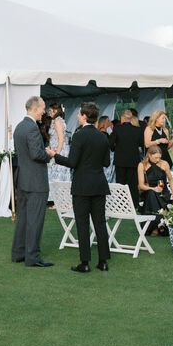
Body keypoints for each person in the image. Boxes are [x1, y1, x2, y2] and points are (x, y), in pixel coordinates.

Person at [52, 102, 111, 273]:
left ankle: (85, 263)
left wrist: (55, 156)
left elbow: (72, 162)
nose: (77, 116)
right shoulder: (103, 136)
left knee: (82, 224)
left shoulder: (79, 135)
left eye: (79, 114)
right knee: (100, 223)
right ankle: (103, 261)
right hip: (99, 184)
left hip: (82, 186)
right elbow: (106, 163)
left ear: (85, 116)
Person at [11, 96, 53, 267]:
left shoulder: (20, 127)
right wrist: (48, 155)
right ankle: (32, 257)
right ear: (35, 109)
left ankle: (18, 253)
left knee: (23, 219)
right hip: (36, 181)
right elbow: (36, 154)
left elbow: (27, 153)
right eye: (43, 108)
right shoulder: (32, 128)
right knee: (35, 220)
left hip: (23, 180)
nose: (44, 111)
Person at [138, 145, 173, 234]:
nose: (158, 160)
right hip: (148, 192)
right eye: (155, 157)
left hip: (163, 193)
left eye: (159, 157)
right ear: (149, 155)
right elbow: (141, 185)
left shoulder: (164, 163)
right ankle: (159, 223)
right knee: (151, 193)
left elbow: (171, 179)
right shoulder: (142, 165)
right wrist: (153, 188)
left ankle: (157, 225)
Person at [109, 108, 143, 206]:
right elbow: (141, 144)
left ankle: (121, 204)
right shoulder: (138, 130)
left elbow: (110, 144)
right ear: (131, 118)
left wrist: (115, 149)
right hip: (133, 160)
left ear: (122, 118)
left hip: (120, 160)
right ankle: (134, 204)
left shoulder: (117, 129)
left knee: (121, 183)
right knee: (133, 183)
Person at [45, 103, 72, 186]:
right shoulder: (56, 120)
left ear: (55, 110)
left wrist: (57, 156)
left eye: (50, 110)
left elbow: (61, 139)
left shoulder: (57, 121)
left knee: (57, 172)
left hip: (59, 150)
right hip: (55, 149)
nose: (49, 112)